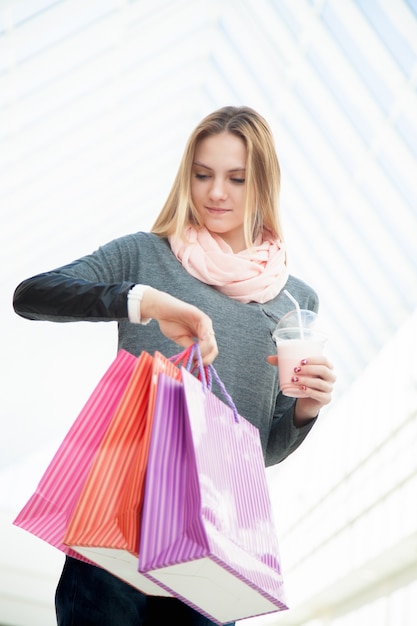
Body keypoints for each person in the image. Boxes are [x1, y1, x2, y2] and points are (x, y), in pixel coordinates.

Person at [13, 105, 336, 626]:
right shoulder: (145, 255)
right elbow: (33, 295)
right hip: (114, 527)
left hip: (212, 544)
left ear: (264, 184)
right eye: (203, 174)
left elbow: (262, 451)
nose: (215, 193)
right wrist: (142, 302)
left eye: (236, 178)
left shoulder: (296, 301)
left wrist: (304, 410)